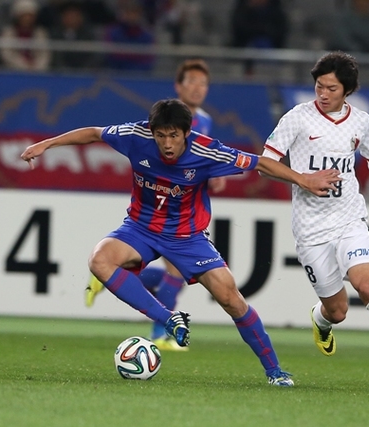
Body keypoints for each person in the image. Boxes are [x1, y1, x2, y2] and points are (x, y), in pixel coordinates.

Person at [20, 98, 341, 386]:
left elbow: (260, 162)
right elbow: (93, 133)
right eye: (161, 135)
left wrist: (302, 179)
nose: (167, 143)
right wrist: (46, 144)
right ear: (152, 131)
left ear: (187, 132)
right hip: (139, 228)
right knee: (100, 259)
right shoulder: (136, 136)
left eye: (174, 135)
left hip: (187, 237)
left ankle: (275, 371)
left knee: (231, 299)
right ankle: (168, 319)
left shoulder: (207, 151)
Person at [260, 51, 369, 391]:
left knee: (367, 285)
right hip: (311, 229)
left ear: (347, 90)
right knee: (338, 311)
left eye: (331, 88)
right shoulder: (298, 118)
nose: (323, 93)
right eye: (319, 86)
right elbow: (264, 163)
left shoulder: (360, 121)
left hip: (349, 219)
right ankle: (321, 320)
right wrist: (303, 179)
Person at [86, 59, 219, 352]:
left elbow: (200, 160)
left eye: (203, 83)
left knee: (175, 273)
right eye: (191, 82)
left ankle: (110, 278)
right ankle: (160, 333)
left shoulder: (205, 121)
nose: (197, 88)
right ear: (178, 86)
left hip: (183, 209)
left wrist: (213, 177)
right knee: (176, 272)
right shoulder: (162, 121)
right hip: (158, 207)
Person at [0, 0, 51, 71]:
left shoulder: (40, 32)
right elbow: (6, 54)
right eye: (24, 15)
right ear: (18, 16)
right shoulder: (9, 32)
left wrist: (37, 66)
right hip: (14, 71)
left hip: (37, 72)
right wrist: (24, 65)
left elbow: (45, 54)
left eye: (30, 16)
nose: (27, 19)